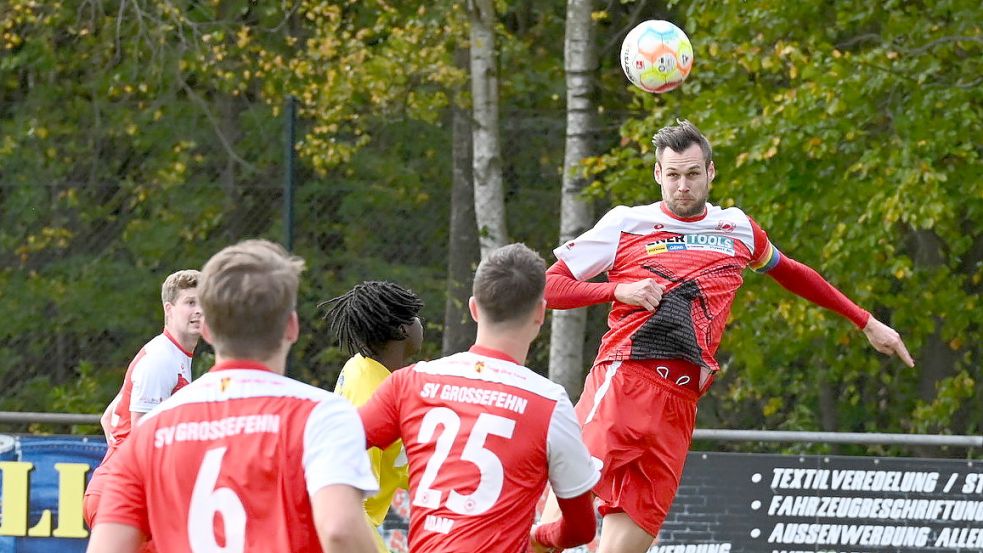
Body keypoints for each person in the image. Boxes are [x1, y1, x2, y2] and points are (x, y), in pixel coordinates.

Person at [541, 119, 915, 553]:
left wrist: (866, 321)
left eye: (693, 174)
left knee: (627, 544)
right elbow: (549, 287)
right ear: (658, 175)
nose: (683, 186)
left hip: (680, 405)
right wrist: (616, 289)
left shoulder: (737, 228)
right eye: (674, 175)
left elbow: (792, 273)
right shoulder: (626, 223)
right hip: (625, 380)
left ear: (711, 173)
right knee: (570, 504)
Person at [86, 239, 379, 553]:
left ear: (208, 330)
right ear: (292, 328)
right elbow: (338, 529)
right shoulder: (325, 415)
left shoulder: (152, 430)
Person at [358, 243, 600, 553]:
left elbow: (324, 449)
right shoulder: (550, 403)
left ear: (474, 308)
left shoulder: (411, 381)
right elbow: (581, 529)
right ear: (540, 312)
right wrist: (540, 537)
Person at [84, 269, 202, 534]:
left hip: (120, 492)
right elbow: (142, 440)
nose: (199, 310)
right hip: (122, 497)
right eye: (191, 302)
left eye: (204, 303)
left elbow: (108, 418)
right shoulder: (161, 358)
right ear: (169, 309)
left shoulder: (173, 355)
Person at [320, 281, 424, 552]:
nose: (420, 323)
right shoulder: (370, 391)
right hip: (352, 519)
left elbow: (400, 463)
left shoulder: (368, 370)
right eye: (415, 316)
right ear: (402, 330)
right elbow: (349, 494)